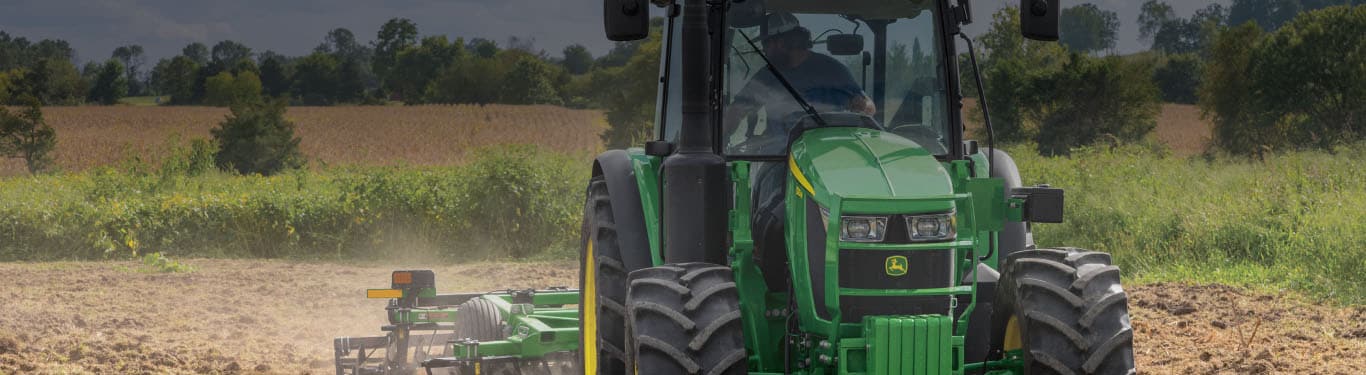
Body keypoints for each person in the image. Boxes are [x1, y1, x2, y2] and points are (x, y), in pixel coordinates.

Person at [725, 12, 876, 142]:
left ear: (782, 42)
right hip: (779, 158)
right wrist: (719, 137)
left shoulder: (833, 71)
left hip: (825, 151)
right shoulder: (767, 76)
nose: (764, 51)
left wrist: (859, 107)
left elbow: (868, 108)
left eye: (766, 44)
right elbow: (736, 111)